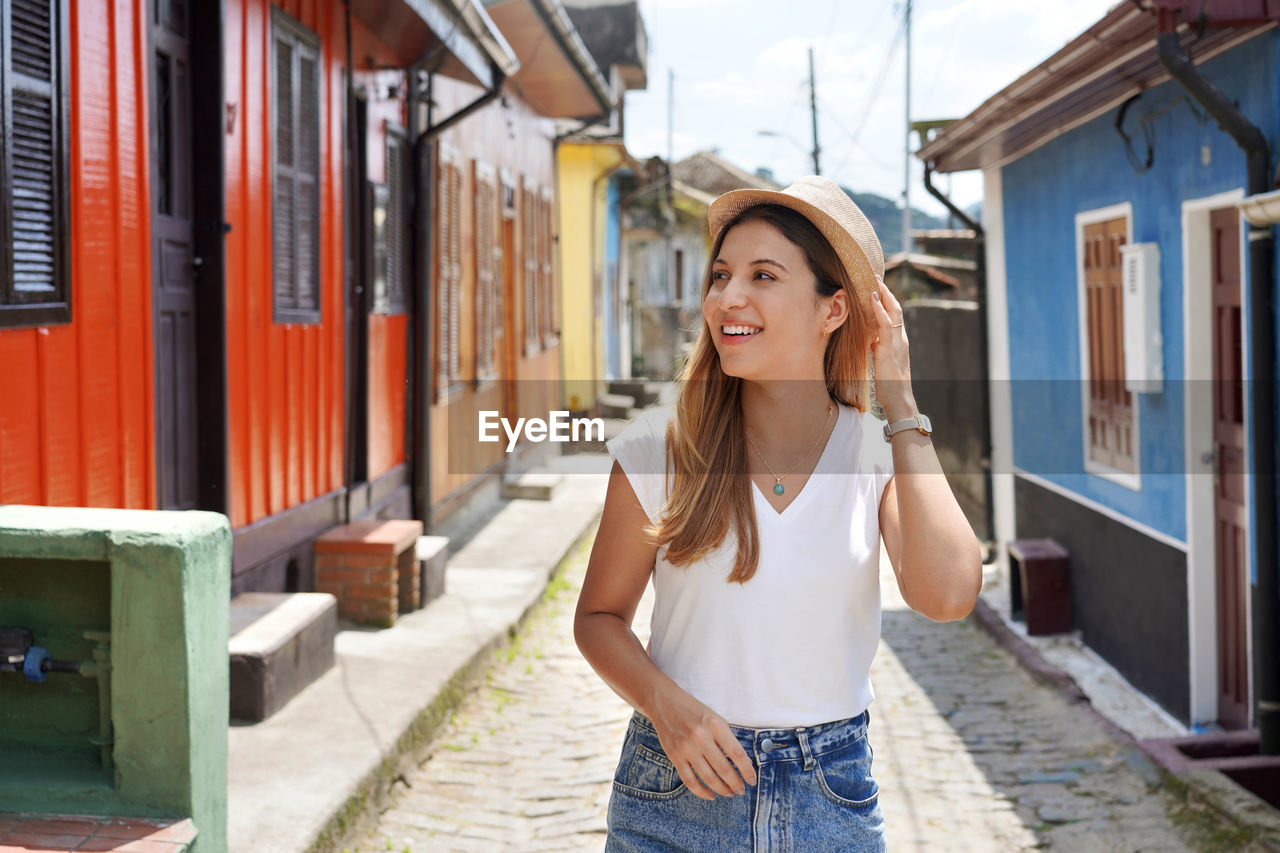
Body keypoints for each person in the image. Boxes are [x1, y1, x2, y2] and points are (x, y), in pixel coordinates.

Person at [574, 175, 982, 852]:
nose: (728, 297)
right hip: (675, 795)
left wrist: (901, 404)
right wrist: (666, 709)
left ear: (833, 310)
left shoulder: (877, 458)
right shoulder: (658, 447)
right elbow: (597, 619)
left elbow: (947, 593)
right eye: (721, 274)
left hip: (830, 799)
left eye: (763, 275)